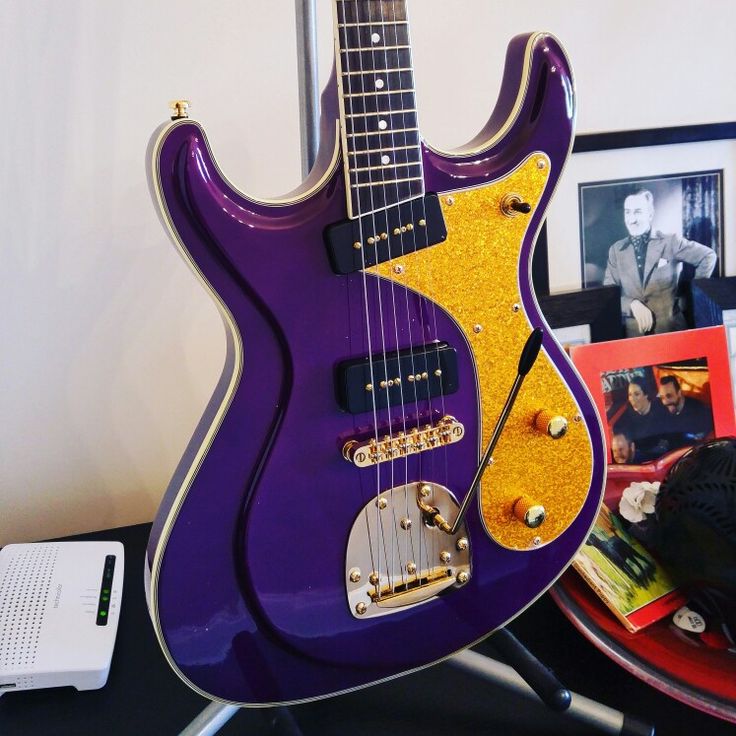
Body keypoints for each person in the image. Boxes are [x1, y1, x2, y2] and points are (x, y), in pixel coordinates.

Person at [603, 189, 717, 337]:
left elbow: (707, 256)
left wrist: (692, 296)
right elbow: (608, 294)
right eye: (627, 212)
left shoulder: (670, 242)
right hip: (633, 339)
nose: (631, 220)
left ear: (650, 214)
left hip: (672, 334)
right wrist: (631, 304)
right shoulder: (616, 250)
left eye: (637, 212)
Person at [613, 379, 670, 461]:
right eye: (630, 395)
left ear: (646, 394)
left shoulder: (661, 408)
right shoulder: (627, 416)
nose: (632, 399)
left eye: (636, 394)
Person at [658, 374, 713, 445]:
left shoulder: (698, 411)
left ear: (679, 393)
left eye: (669, 396)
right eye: (662, 397)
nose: (665, 402)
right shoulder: (662, 412)